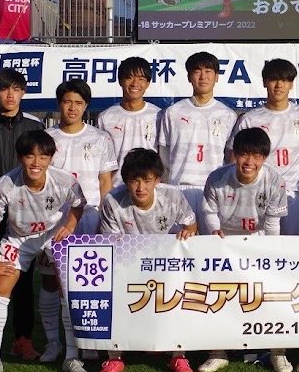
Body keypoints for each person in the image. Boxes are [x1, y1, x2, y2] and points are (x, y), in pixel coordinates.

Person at [0, 130, 87, 372]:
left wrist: (69, 226)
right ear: (19, 158)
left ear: (51, 158)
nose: (36, 163)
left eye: (43, 157)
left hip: (52, 237)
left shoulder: (64, 180)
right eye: (30, 156)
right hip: (18, 239)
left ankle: (70, 356)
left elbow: (79, 204)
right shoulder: (5, 185)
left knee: (66, 289)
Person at [96, 149, 197, 372]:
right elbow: (113, 244)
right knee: (115, 295)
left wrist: (187, 233)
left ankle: (179, 355)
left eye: (147, 180)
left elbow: (191, 225)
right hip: (128, 262)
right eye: (134, 180)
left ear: (157, 180)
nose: (140, 187)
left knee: (180, 296)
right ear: (126, 180)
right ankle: (114, 357)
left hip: (166, 263)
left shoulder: (173, 197)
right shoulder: (112, 201)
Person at [199, 127, 290, 372]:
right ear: (235, 154)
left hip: (259, 242)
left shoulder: (275, 181)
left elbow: (272, 224)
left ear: (264, 158)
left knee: (269, 295)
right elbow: (210, 212)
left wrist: (269, 255)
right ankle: (217, 353)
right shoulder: (217, 178)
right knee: (219, 296)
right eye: (244, 155)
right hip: (226, 242)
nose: (249, 162)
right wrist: (215, 232)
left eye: (257, 156)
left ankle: (277, 351)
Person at [0, 67, 44, 364]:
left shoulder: (35, 125)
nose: (10, 95)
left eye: (16, 89)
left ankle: (22, 339)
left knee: (23, 281)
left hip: (23, 217)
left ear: (24, 92)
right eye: (4, 89)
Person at [230, 58, 299, 235]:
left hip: (295, 195)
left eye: (284, 80)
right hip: (260, 193)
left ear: (291, 84)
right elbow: (233, 158)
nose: (279, 85)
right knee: (262, 246)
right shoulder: (250, 119)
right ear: (264, 82)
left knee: (294, 246)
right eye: (274, 79)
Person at [158, 51, 238, 234]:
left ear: (216, 77)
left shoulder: (228, 115)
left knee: (214, 243)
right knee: (181, 243)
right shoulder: (173, 112)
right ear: (189, 77)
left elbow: (230, 156)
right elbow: (164, 153)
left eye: (208, 71)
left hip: (214, 189)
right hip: (180, 188)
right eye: (197, 71)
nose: (203, 76)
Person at [47, 79, 118, 236]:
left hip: (90, 214)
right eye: (67, 102)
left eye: (78, 103)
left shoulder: (100, 138)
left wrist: (105, 217)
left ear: (85, 105)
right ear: (59, 103)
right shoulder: (46, 138)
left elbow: (105, 181)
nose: (73, 108)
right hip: (55, 216)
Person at [98, 56, 161, 184]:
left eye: (141, 79)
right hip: (116, 188)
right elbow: (101, 161)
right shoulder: (105, 118)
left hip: (147, 189)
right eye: (129, 77)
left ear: (148, 83)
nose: (135, 83)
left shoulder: (159, 116)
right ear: (120, 81)